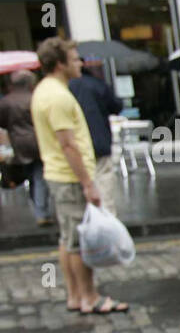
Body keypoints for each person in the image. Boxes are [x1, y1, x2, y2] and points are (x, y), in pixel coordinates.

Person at [30, 38, 129, 314]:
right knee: (78, 241)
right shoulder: (58, 96)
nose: (80, 64)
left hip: (59, 174)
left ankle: (75, 295)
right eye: (75, 59)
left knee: (68, 238)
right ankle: (90, 297)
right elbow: (67, 144)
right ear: (60, 64)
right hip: (69, 176)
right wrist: (87, 182)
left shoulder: (45, 90)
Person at [68, 60, 125, 216]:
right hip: (99, 140)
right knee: (104, 181)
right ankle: (107, 219)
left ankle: (93, 218)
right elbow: (116, 105)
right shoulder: (96, 84)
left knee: (83, 183)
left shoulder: (66, 88)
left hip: (77, 143)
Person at [0, 70, 53, 226]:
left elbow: (2, 122)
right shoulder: (36, 98)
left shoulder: (6, 102)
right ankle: (41, 211)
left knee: (31, 175)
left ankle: (39, 208)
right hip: (38, 141)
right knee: (39, 175)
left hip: (19, 144)